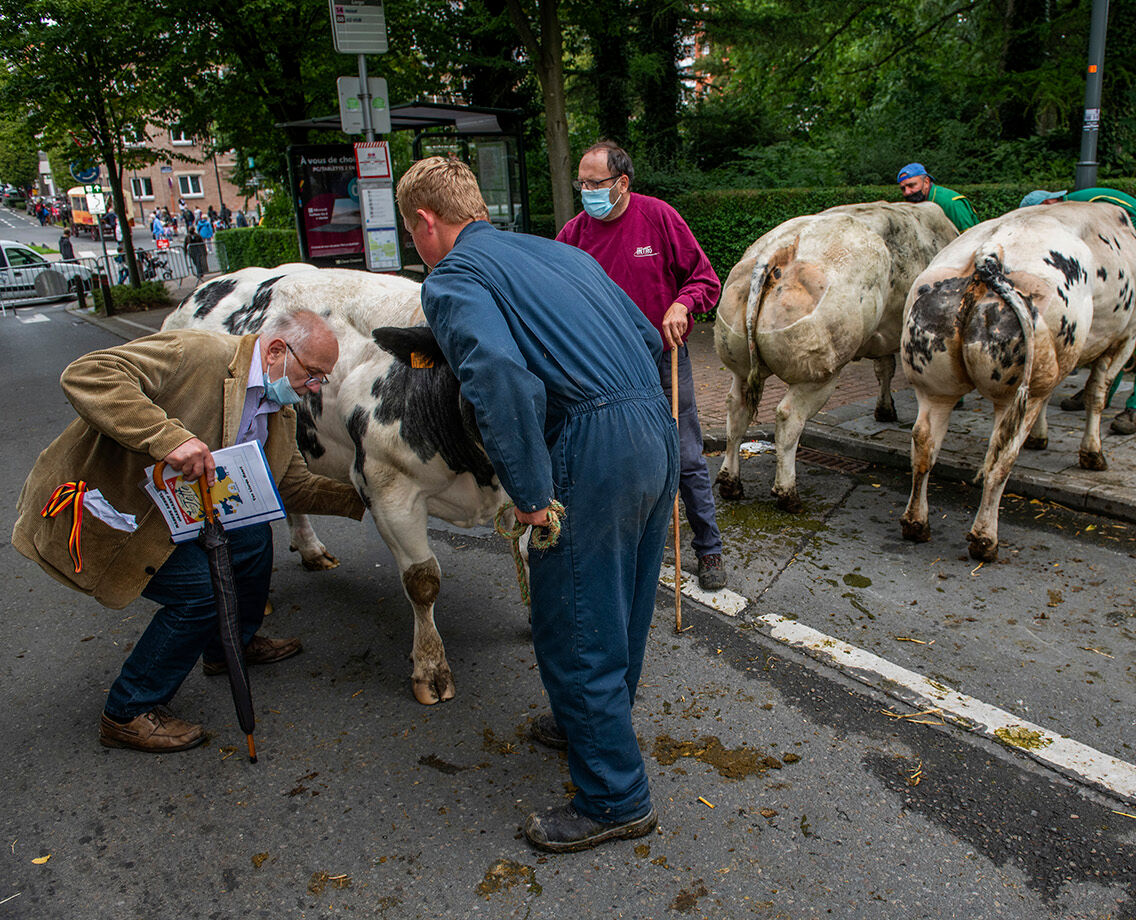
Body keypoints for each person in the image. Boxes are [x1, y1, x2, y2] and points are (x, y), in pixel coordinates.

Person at [396, 155, 677, 854]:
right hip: (653, 424)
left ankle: (614, 797)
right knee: (622, 604)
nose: (416, 245)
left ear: (425, 221)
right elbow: (647, 336)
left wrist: (528, 492)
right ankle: (591, 726)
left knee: (574, 619)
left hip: (593, 443)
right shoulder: (561, 253)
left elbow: (497, 374)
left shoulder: (453, 276)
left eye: (411, 232)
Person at [11, 312, 365, 753]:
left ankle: (228, 646)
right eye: (312, 374)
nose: (314, 387)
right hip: (121, 510)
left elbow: (291, 485)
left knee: (254, 536)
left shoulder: (280, 411)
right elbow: (89, 374)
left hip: (183, 512)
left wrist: (371, 498)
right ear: (277, 351)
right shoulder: (196, 352)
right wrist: (168, 438)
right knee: (199, 592)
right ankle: (127, 711)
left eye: (321, 379)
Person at [556, 140, 728, 591]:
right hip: (604, 370)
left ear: (622, 183)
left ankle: (709, 548)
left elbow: (705, 279)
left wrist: (682, 304)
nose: (587, 192)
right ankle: (622, 544)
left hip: (664, 356)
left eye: (595, 184)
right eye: (581, 184)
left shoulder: (659, 217)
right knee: (615, 458)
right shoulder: (573, 235)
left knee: (685, 455)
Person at [1019, 188, 1136, 435]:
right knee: (1108, 326)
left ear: (1049, 203)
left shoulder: (1089, 199)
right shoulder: (1071, 215)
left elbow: (1131, 224)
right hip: (1126, 256)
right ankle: (1099, 391)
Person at [896, 162, 980, 232]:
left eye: (911, 185)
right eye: (903, 188)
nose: (907, 192)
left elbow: (970, 239)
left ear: (926, 182)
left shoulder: (951, 204)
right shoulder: (918, 202)